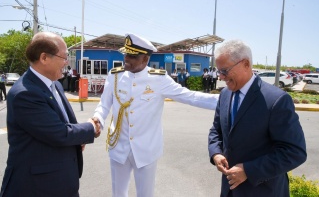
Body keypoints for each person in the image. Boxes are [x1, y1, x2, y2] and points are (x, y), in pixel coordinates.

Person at [92, 33, 219, 197]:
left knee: (145, 194)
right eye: (126, 54)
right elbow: (104, 104)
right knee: (118, 193)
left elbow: (190, 96)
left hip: (146, 150)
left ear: (145, 59)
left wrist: (225, 101)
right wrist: (97, 119)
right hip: (118, 146)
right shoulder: (115, 75)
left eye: (132, 56)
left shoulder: (159, 79)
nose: (126, 59)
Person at [0, 32, 101, 197]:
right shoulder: (25, 93)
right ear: (44, 58)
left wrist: (77, 139)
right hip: (37, 187)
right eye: (64, 57)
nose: (67, 62)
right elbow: (59, 133)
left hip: (60, 181)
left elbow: (63, 124)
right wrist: (90, 128)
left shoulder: (55, 85)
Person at [208, 40, 307, 197]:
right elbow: (216, 130)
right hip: (229, 191)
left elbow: (295, 151)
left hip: (264, 191)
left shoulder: (276, 100)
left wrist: (248, 170)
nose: (220, 77)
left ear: (246, 64)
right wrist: (216, 153)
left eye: (225, 70)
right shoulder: (225, 95)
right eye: (218, 71)